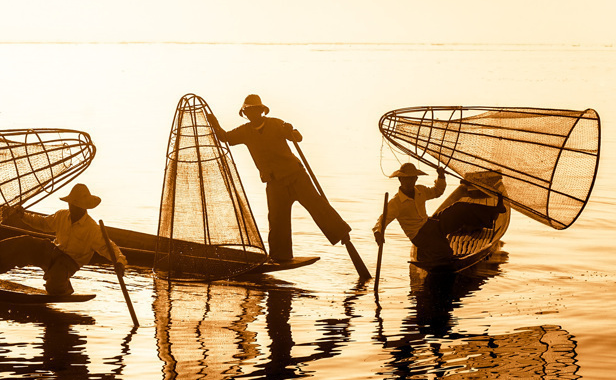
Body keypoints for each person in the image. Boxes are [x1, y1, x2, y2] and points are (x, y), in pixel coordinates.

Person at [207, 94, 352, 263]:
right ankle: (280, 255)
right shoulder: (245, 131)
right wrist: (214, 123)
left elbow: (297, 138)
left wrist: (291, 130)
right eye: (249, 111)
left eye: (256, 110)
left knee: (316, 205)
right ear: (245, 113)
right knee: (277, 219)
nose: (252, 114)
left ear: (262, 111)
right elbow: (226, 138)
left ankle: (341, 232)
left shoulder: (275, 124)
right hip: (274, 183)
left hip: (296, 177)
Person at [0, 183, 126, 296]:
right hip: (53, 251)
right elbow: (43, 223)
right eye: (71, 204)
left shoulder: (92, 229)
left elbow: (109, 247)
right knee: (26, 242)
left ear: (84, 207)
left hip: (69, 262)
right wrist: (23, 216)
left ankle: (64, 287)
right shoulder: (62, 215)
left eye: (75, 205)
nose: (72, 207)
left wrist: (119, 262)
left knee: (55, 281)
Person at [373, 163, 504, 263]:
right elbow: (383, 219)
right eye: (406, 179)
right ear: (400, 180)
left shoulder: (420, 190)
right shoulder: (396, 203)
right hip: (419, 235)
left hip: (431, 225)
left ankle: (493, 212)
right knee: (445, 251)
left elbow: (437, 191)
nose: (409, 182)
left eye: (412, 179)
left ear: (416, 179)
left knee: (459, 208)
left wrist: (441, 176)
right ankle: (439, 256)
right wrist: (378, 232)